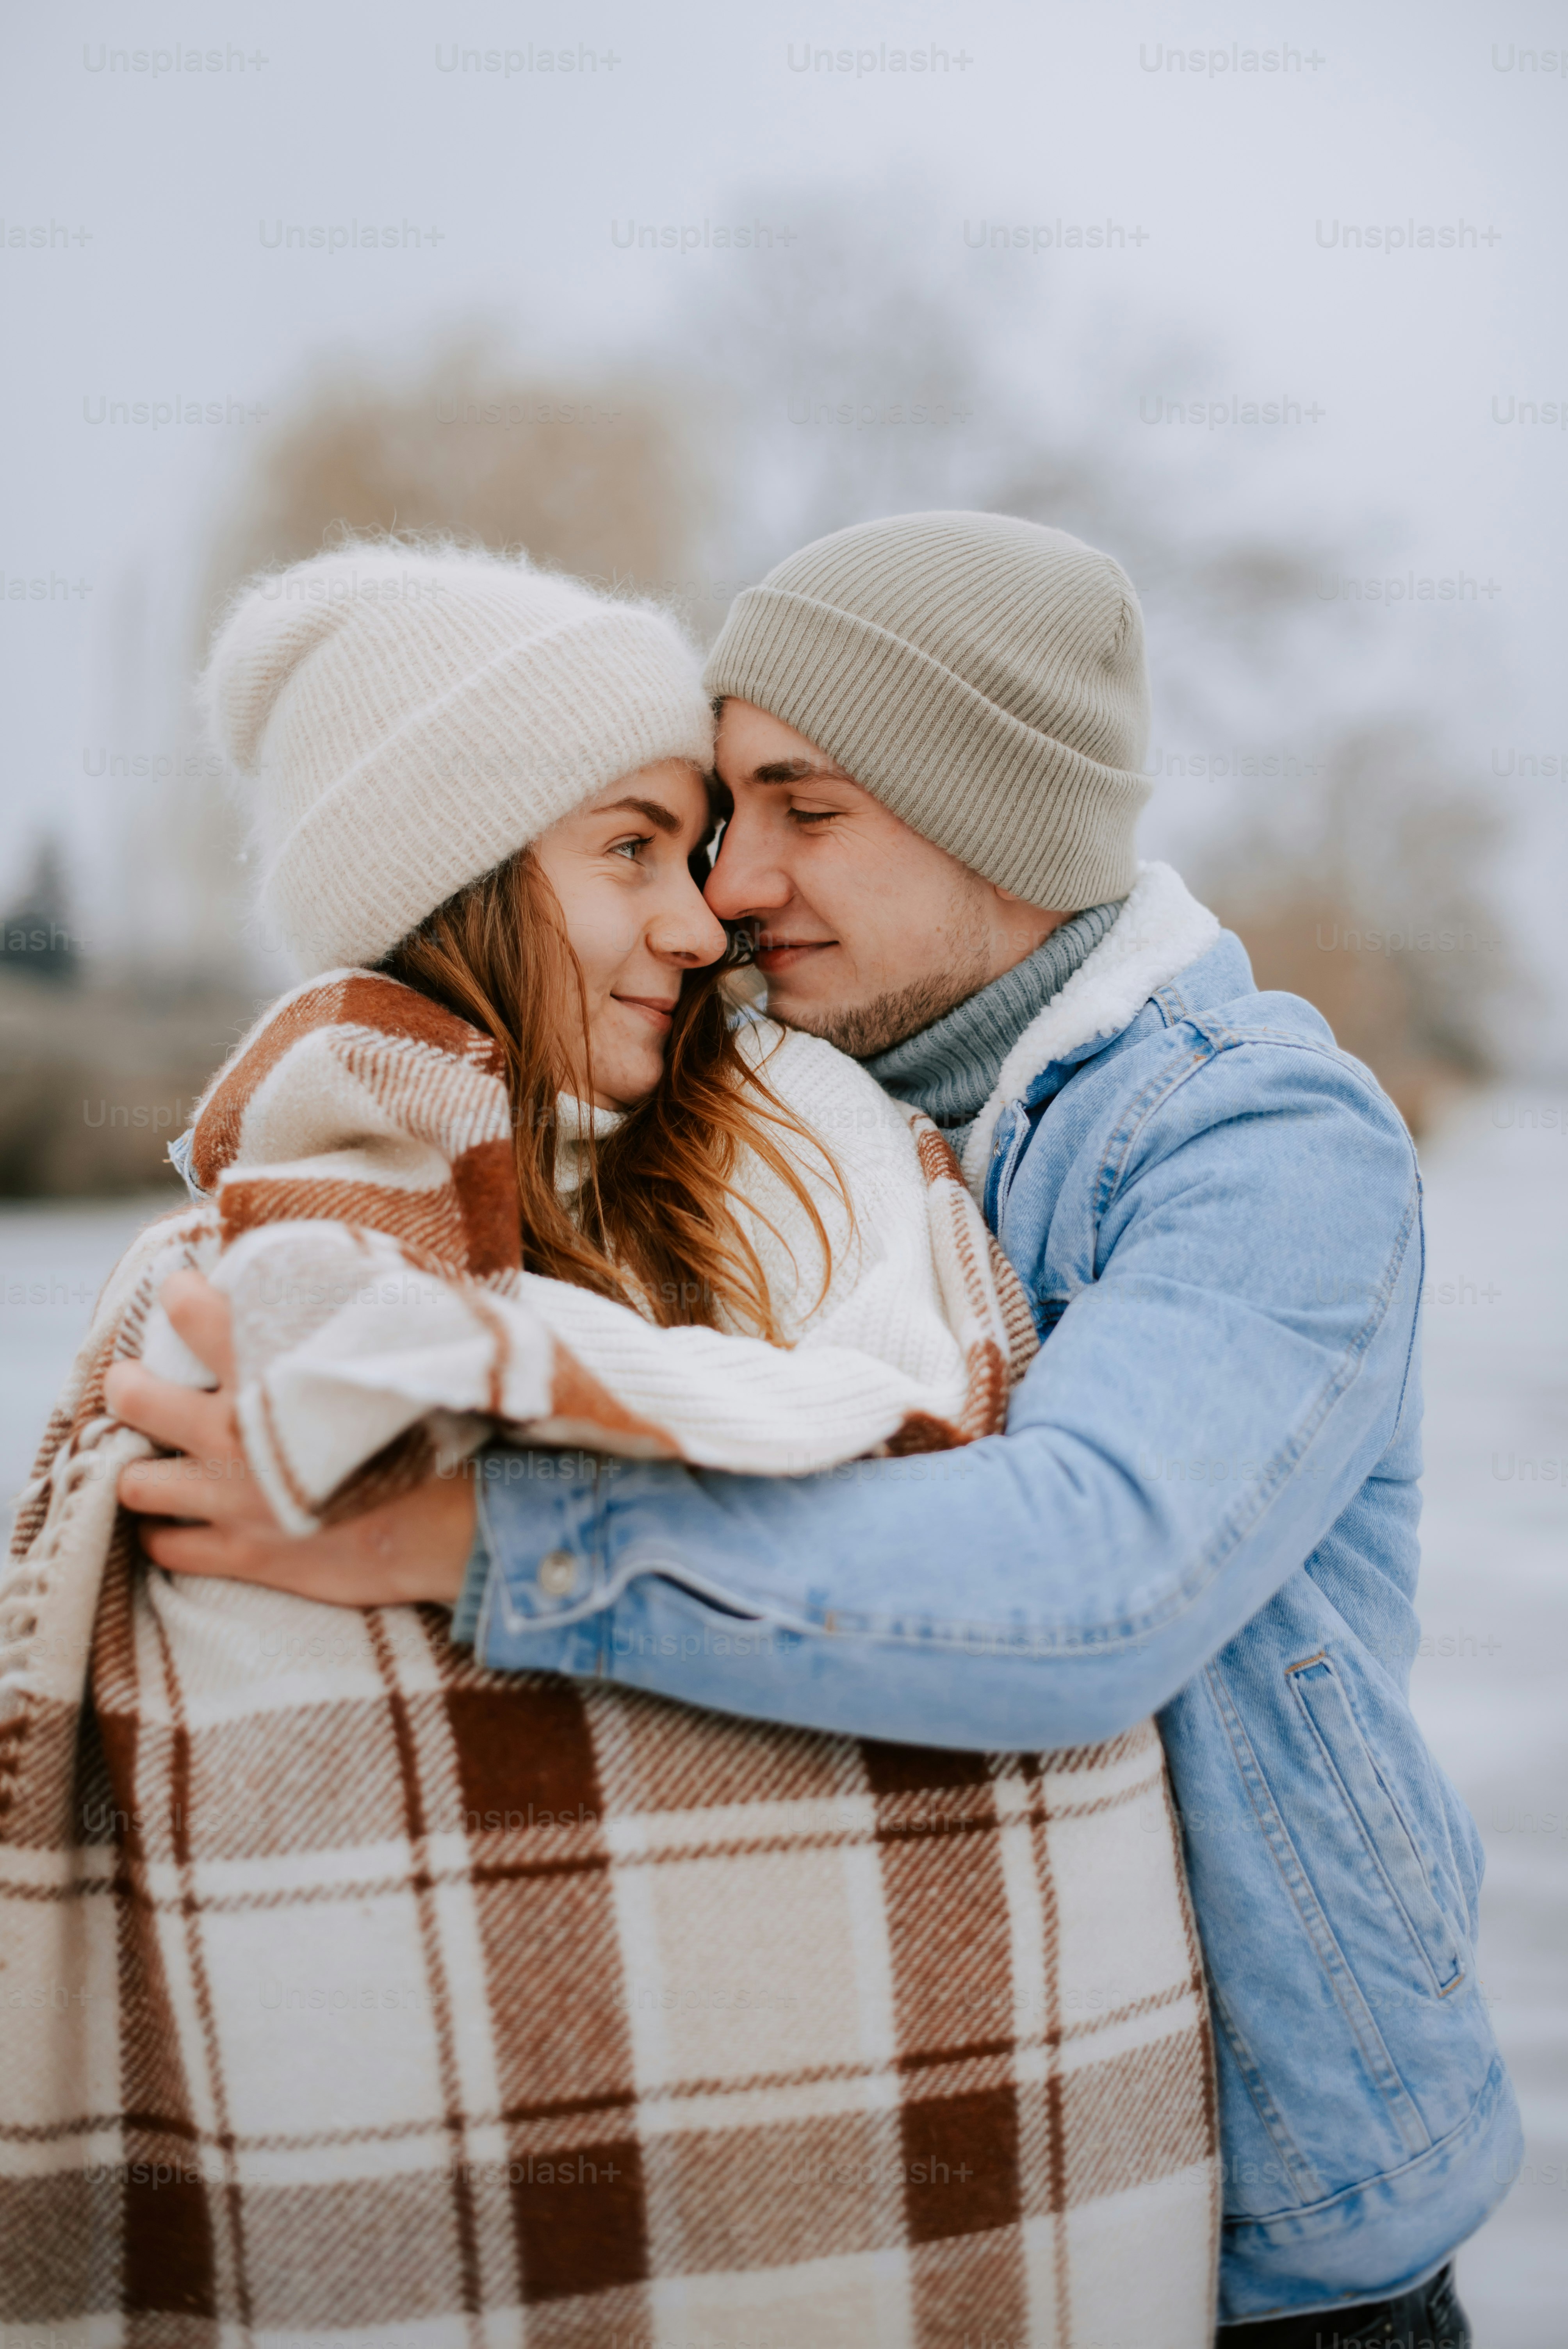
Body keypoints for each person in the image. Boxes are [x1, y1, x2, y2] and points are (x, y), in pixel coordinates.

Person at [119, 511, 1518, 2345]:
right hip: (960, 2218)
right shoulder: (805, 1133)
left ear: (994, 812)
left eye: (805, 806)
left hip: (1281, 2229)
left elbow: (1093, 1581)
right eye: (714, 818)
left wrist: (479, 1537)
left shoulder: (1258, 1142)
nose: (735, 879)